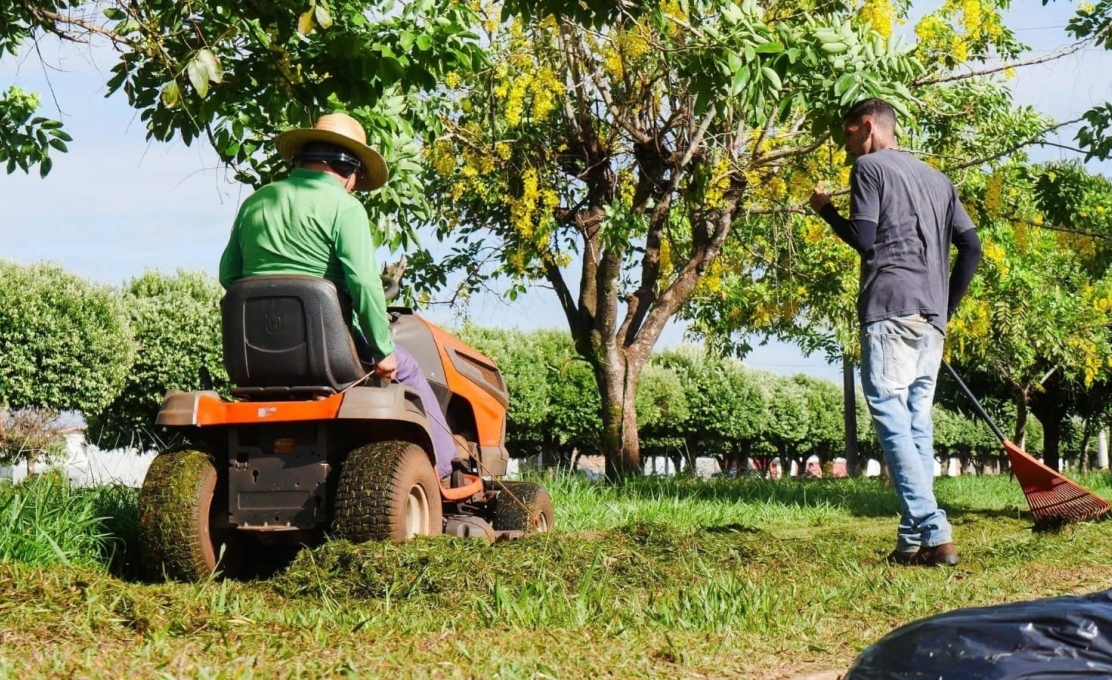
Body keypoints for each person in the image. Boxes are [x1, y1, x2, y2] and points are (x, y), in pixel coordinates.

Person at [219, 112, 458, 481]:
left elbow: (229, 276)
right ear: (348, 168)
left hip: (252, 358)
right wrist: (383, 352)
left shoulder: (257, 201)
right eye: (357, 177)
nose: (355, 185)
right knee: (406, 366)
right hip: (326, 356)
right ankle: (442, 471)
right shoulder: (346, 209)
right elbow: (364, 284)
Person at [809, 99, 983, 567]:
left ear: (868, 127)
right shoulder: (938, 179)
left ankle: (935, 529)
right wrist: (945, 306)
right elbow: (971, 246)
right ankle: (911, 540)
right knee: (916, 425)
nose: (847, 147)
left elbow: (865, 241)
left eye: (848, 135)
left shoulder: (869, 168)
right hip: (931, 317)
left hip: (890, 310)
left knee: (892, 420)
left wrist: (826, 210)